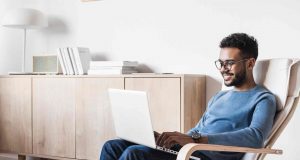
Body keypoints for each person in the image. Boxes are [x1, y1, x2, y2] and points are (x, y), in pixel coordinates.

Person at [99, 33, 277, 160]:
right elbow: (198, 130)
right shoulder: (219, 97)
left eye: (230, 63)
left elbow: (255, 136)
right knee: (112, 146)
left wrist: (197, 140)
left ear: (250, 63)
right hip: (191, 149)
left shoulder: (263, 99)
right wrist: (167, 140)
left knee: (135, 154)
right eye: (221, 63)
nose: (223, 69)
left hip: (206, 156)